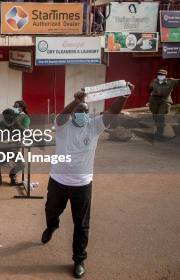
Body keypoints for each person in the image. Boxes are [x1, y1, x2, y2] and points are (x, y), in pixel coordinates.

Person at [41, 83, 134, 279]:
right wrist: (76, 101)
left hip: (82, 184)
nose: (83, 113)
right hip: (58, 180)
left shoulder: (93, 126)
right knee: (51, 210)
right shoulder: (62, 125)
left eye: (85, 111)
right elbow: (62, 115)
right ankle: (52, 226)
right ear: (73, 113)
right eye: (79, 110)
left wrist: (124, 95)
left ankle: (79, 260)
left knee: (81, 224)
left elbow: (112, 112)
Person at [0, 108, 25, 188]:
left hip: (13, 150)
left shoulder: (17, 124)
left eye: (10, 117)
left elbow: (25, 133)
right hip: (1, 150)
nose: (8, 120)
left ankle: (12, 175)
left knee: (22, 164)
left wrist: (20, 138)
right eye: (5, 117)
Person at [148, 70, 180, 139]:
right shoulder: (154, 81)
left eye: (162, 74)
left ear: (165, 75)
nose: (160, 75)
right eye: (159, 74)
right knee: (155, 116)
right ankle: (158, 131)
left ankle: (160, 133)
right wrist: (150, 97)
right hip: (154, 100)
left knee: (160, 116)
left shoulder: (171, 81)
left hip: (164, 101)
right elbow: (150, 89)